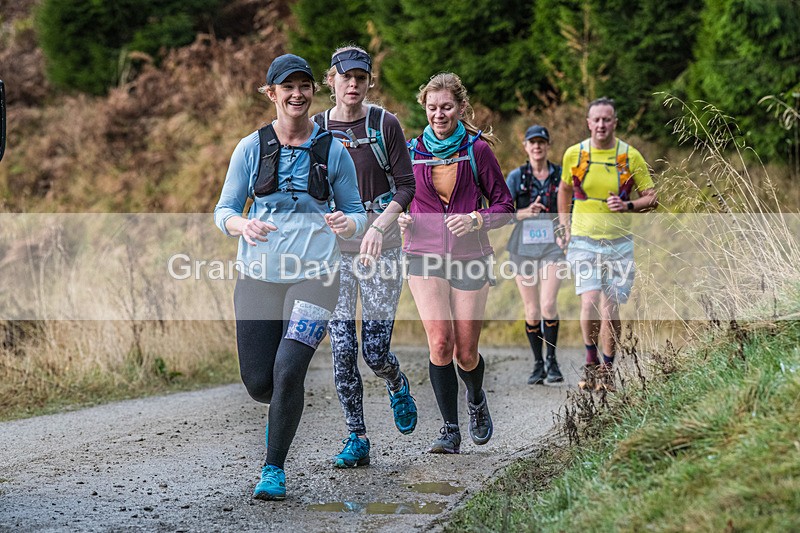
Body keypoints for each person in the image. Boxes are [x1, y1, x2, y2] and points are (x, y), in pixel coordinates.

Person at [213, 54, 367, 501]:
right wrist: (243, 225)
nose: (297, 94)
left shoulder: (332, 151)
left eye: (304, 86)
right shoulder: (250, 147)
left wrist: (348, 225)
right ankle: (283, 401)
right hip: (259, 275)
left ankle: (273, 470)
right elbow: (223, 211)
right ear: (271, 94)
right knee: (260, 381)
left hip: (317, 277)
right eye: (287, 87)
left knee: (287, 370)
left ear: (312, 92)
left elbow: (356, 212)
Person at [312, 45, 418, 469]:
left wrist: (378, 225)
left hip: (382, 249)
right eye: (345, 77)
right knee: (341, 348)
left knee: (374, 352)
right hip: (335, 253)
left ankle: (395, 381)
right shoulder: (316, 129)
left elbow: (407, 186)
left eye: (361, 77)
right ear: (331, 80)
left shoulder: (385, 124)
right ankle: (357, 436)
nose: (353, 84)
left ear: (369, 81)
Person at [399, 72, 514, 454]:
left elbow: (505, 206)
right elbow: (398, 196)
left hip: (470, 257)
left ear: (461, 107)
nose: (438, 114)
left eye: (446, 107)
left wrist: (476, 218)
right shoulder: (413, 150)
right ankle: (450, 430)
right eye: (432, 108)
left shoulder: (477, 150)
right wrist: (400, 216)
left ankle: (476, 397)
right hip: (423, 255)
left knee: (466, 352)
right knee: (440, 342)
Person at [556, 97, 657, 393]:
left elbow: (651, 197)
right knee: (589, 300)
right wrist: (564, 226)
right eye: (596, 119)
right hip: (583, 239)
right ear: (588, 123)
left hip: (619, 243)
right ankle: (590, 360)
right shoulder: (574, 154)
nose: (601, 125)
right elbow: (563, 190)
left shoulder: (629, 156)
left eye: (607, 119)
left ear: (615, 122)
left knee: (610, 306)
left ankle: (608, 368)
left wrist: (627, 205)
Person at [505, 125, 564, 385]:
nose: (537, 146)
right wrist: (525, 212)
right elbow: (502, 213)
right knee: (532, 309)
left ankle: (552, 360)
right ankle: (537, 363)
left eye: (542, 142)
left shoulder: (561, 176)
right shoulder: (517, 177)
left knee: (548, 303)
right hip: (523, 250)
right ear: (526, 146)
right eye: (533, 142)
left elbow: (571, 208)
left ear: (548, 145)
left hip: (552, 247)